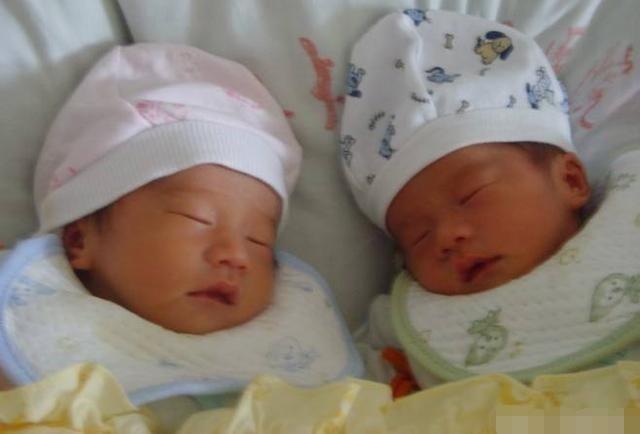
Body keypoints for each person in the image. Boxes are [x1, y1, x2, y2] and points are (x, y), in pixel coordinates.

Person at [0, 42, 307, 390]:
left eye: (259, 241)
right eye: (196, 219)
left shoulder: (295, 359)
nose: (236, 256)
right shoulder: (22, 317)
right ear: (79, 240)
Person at [339, 9, 591, 393]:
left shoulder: (627, 234)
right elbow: (351, 388)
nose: (446, 236)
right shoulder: (405, 326)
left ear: (569, 179)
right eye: (418, 237)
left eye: (472, 195)